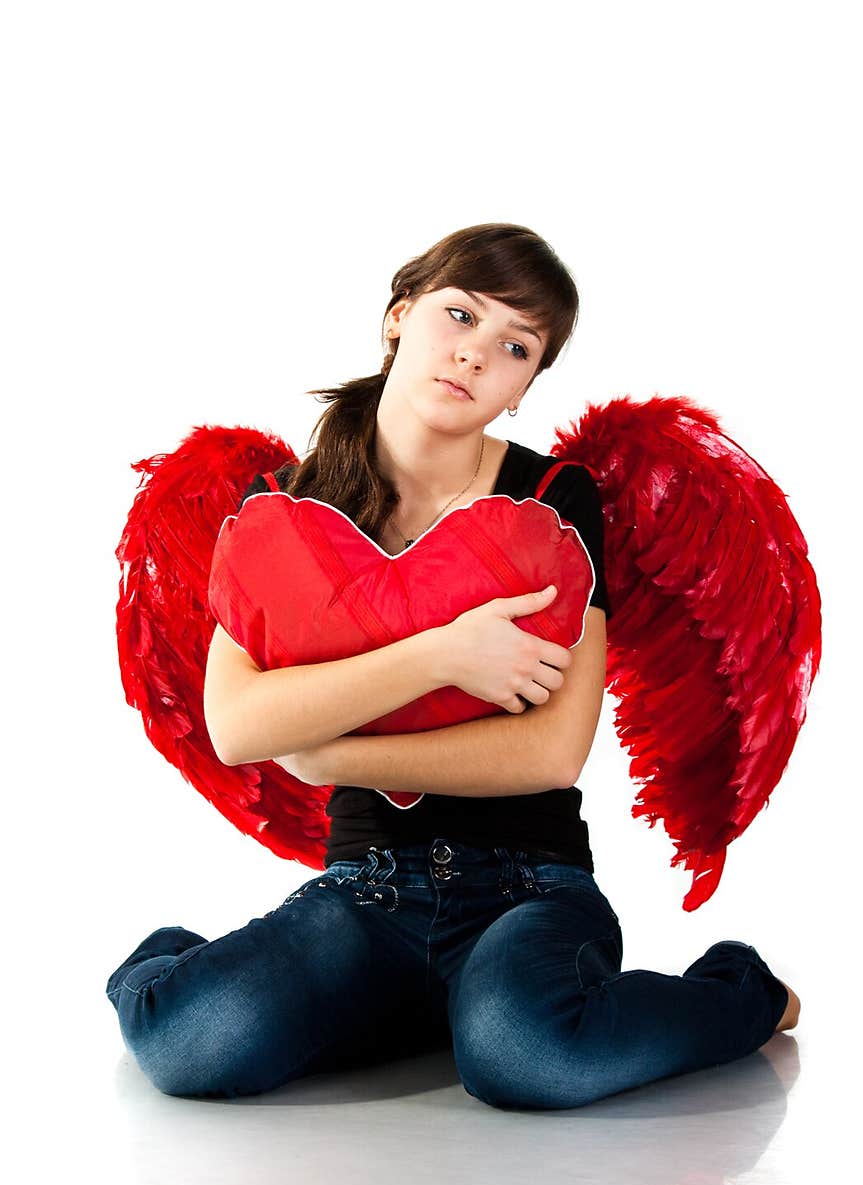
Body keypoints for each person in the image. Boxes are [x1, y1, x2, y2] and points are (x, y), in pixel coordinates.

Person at [106, 222, 799, 1106]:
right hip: (368, 888)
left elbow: (548, 756)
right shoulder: (283, 508)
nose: (475, 355)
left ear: (524, 387)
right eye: (459, 316)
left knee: (530, 1059)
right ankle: (421, 1003)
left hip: (529, 887)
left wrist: (327, 752)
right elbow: (239, 726)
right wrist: (444, 653)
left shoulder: (553, 499)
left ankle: (740, 991)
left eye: (515, 346)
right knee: (186, 1044)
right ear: (399, 317)